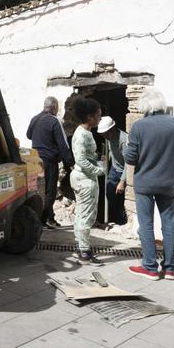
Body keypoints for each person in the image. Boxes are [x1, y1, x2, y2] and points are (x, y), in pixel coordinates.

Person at [124, 88, 174, 281]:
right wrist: (170, 158)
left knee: (146, 225)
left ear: (145, 107)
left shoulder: (139, 127)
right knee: (169, 224)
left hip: (145, 184)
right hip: (169, 182)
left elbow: (130, 158)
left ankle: (150, 268)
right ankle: (170, 269)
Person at [27, 96, 74, 228]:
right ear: (54, 107)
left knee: (39, 191)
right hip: (48, 161)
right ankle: (42, 221)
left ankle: (50, 218)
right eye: (57, 107)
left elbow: (28, 135)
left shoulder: (35, 118)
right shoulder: (54, 121)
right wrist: (70, 162)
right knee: (50, 192)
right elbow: (63, 144)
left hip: (35, 161)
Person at [70, 98, 106, 264]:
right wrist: (98, 170)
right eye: (98, 115)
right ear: (90, 117)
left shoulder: (84, 132)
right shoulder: (82, 134)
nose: (100, 118)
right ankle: (84, 251)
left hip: (82, 177)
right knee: (86, 215)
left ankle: (81, 246)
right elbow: (81, 159)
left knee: (81, 213)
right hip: (85, 179)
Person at [97, 116, 128, 225]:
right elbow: (112, 151)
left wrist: (122, 181)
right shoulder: (109, 137)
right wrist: (107, 157)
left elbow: (128, 163)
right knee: (110, 192)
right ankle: (114, 217)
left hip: (124, 171)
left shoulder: (124, 141)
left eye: (106, 134)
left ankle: (122, 220)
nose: (105, 137)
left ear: (112, 129)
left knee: (121, 196)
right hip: (115, 169)